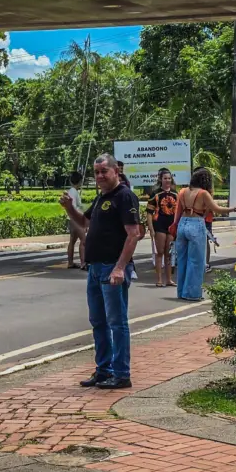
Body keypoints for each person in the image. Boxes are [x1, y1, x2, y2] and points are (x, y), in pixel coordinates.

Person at [60, 154, 140, 390]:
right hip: (95, 268)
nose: (100, 176)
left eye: (104, 171)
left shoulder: (124, 196)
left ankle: (122, 374)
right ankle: (103, 369)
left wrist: (120, 267)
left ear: (116, 171)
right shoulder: (100, 198)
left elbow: (134, 234)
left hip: (111, 268)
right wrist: (69, 208)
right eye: (96, 172)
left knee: (116, 322)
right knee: (98, 322)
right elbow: (84, 222)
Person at [173, 168, 236, 300]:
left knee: (182, 260)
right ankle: (192, 294)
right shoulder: (203, 193)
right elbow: (217, 209)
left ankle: (181, 292)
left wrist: (175, 226)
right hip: (196, 224)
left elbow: (177, 213)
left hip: (182, 224)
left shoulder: (182, 192)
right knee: (196, 262)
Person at [147, 169, 178, 287]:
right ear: (161, 179)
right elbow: (149, 213)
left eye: (169, 178)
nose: (167, 180)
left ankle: (169, 279)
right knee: (159, 252)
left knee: (169, 253)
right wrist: (151, 229)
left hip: (171, 226)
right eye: (165, 178)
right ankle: (159, 279)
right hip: (159, 225)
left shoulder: (176, 194)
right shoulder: (155, 194)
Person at [65, 171, 85, 270]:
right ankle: (83, 263)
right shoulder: (73, 192)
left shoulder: (72, 191)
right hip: (75, 219)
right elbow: (72, 206)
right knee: (84, 240)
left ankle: (70, 262)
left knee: (72, 241)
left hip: (72, 219)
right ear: (80, 181)